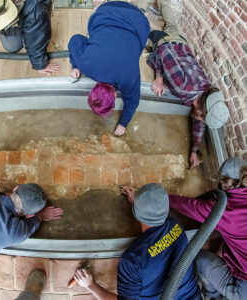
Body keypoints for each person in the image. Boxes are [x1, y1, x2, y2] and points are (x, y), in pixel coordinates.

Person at [74, 183, 201, 299]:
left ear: (136, 214)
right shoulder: (176, 226)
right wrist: (142, 203)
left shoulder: (133, 260)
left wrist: (90, 285)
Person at [143, 0, 229, 168]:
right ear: (199, 109)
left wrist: (194, 150)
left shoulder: (206, 90)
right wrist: (159, 79)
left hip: (182, 44)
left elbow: (199, 123)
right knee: (139, 28)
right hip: (163, 43)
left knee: (171, 23)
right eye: (202, 117)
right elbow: (163, 51)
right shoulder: (182, 86)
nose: (201, 121)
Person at [68, 1, 150, 136]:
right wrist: (76, 64)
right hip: (107, 11)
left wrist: (124, 124)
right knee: (93, 34)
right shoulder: (86, 65)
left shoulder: (128, 80)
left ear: (114, 95)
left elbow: (133, 101)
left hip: (137, 18)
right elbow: (75, 40)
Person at [169, 157, 247, 300]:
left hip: (244, 289)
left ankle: (212, 296)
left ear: (230, 184)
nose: (220, 183)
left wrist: (156, 199)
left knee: (199, 260)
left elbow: (189, 206)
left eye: (223, 180)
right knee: (221, 249)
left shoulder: (226, 212)